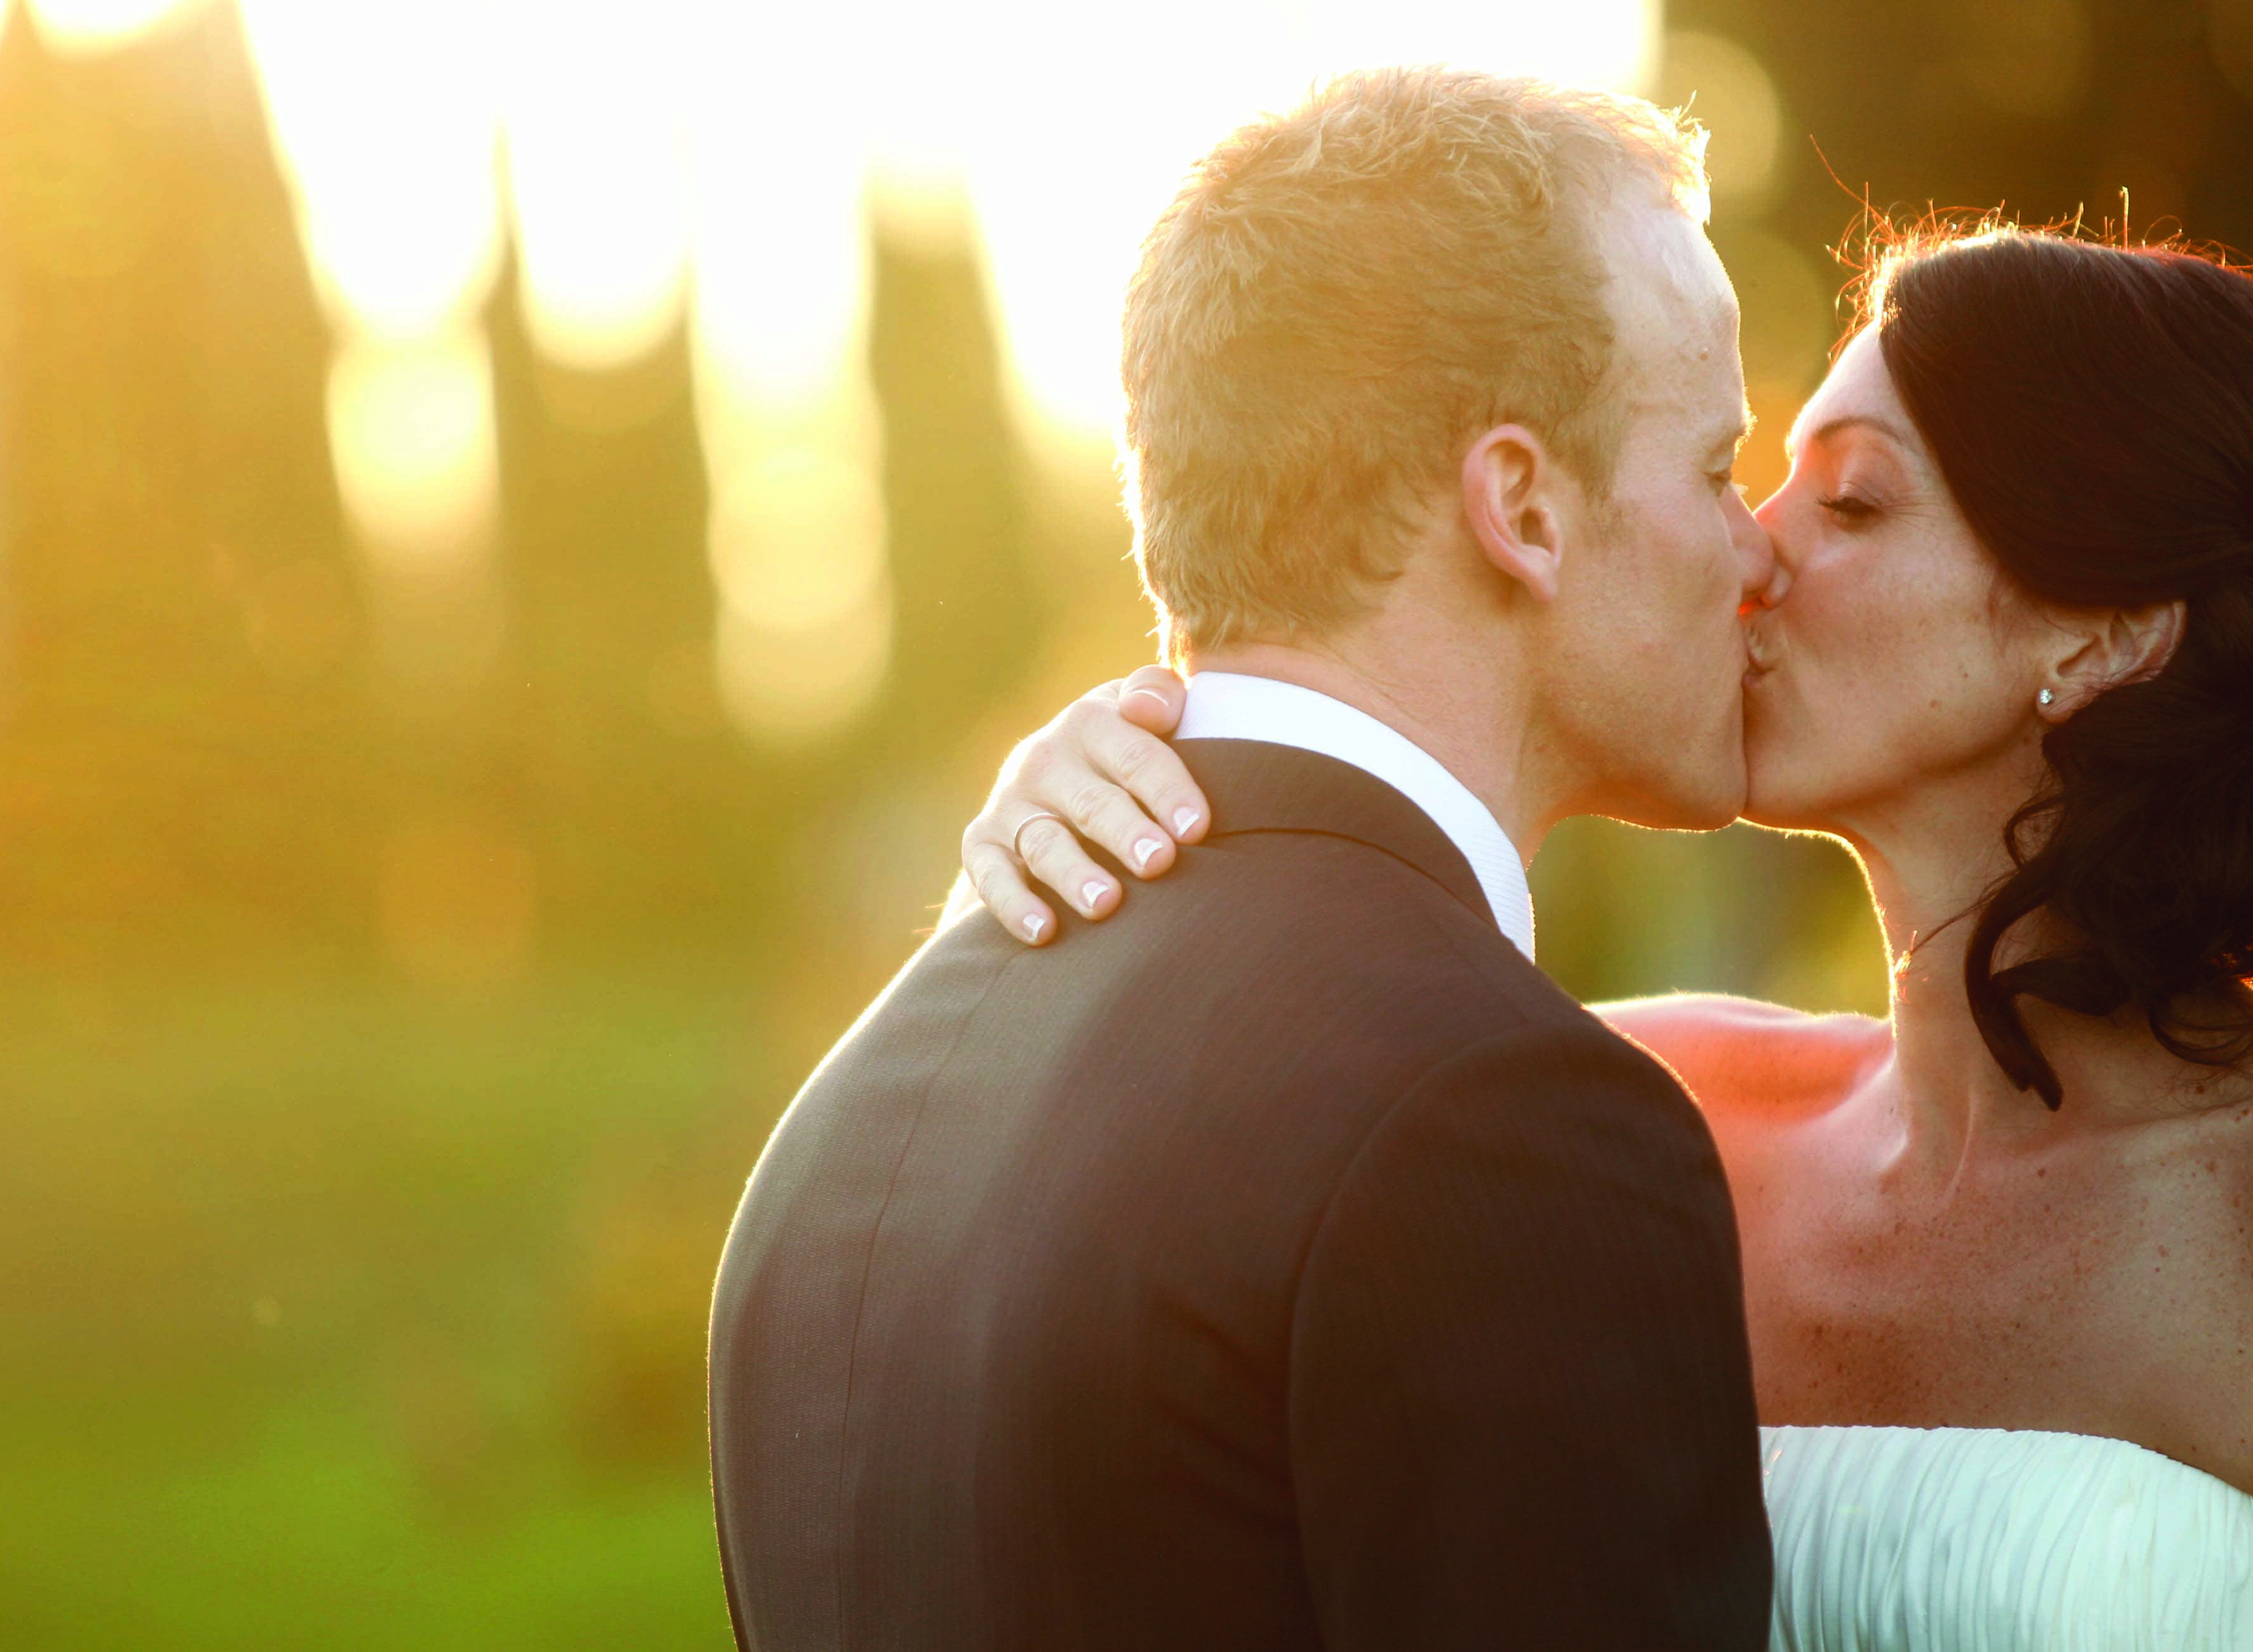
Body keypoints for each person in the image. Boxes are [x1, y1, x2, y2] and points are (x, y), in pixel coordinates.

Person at [960, 225, 2253, 1647]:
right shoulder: (1634, 1117)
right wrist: (1147, 789)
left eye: (1851, 505)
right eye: (1756, 479)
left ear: (2100, 636)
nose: (1747, 552)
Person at [708, 69, 1776, 1651]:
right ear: (1525, 508)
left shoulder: (843, 1127)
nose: (1757, 550)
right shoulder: (1502, 1122)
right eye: (1712, 468)